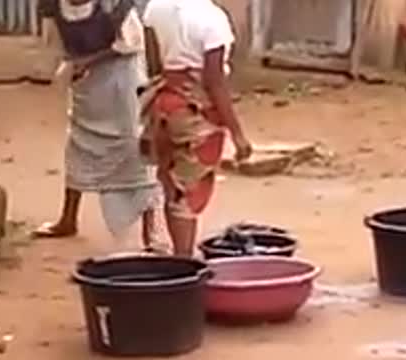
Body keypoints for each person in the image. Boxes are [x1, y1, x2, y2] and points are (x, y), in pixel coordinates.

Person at [34, 0, 157, 248]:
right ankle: (68, 219)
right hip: (87, 83)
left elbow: (129, 43)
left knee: (134, 147)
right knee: (79, 143)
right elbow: (57, 44)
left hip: (122, 79)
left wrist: (87, 61)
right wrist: (67, 67)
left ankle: (150, 230)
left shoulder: (116, 5)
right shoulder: (52, 6)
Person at [141, 0, 252, 256]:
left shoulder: (155, 8)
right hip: (196, 111)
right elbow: (214, 82)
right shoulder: (213, 19)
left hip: (165, 103)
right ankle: (183, 260)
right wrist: (237, 134)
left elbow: (154, 65)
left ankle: (178, 253)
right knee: (189, 189)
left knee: (171, 181)